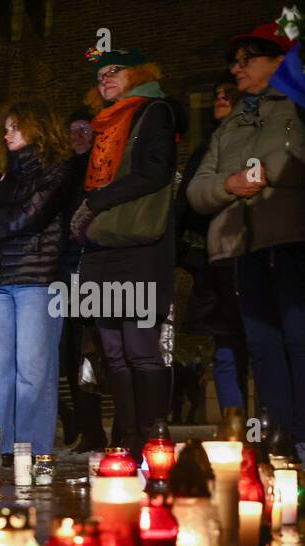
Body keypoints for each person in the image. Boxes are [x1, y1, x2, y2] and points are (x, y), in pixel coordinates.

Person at [189, 21, 304, 461]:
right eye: (233, 62)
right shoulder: (229, 124)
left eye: (245, 60)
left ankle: (302, 432)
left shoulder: (295, 105)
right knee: (261, 344)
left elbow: (296, 159)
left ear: (278, 61)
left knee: (298, 337)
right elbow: (199, 189)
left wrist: (264, 170)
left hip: (290, 237)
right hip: (242, 248)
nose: (236, 69)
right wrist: (230, 184)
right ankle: (279, 434)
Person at [70, 47, 187, 461]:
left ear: (139, 73)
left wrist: (98, 201)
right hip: (103, 247)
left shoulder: (154, 112)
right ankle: (127, 440)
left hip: (138, 246)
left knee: (139, 346)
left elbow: (155, 171)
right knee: (113, 352)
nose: (105, 78)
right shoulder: (105, 123)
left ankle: (152, 438)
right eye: (100, 74)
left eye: (114, 70)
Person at [0, 100, 75, 458]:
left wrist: (1, 225)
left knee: (34, 371)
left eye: (15, 126)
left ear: (37, 127)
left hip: (38, 279)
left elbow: (30, 217)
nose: (6, 133)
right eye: (6, 127)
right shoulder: (1, 177)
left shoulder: (57, 171)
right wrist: (7, 224)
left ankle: (30, 452)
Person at [177, 74, 247, 413]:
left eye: (227, 94)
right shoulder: (207, 148)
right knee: (226, 346)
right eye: (216, 94)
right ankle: (237, 426)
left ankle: (269, 429)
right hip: (216, 258)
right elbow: (190, 200)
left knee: (262, 343)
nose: (220, 98)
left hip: (251, 249)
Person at [58, 108, 109, 452]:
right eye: (73, 130)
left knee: (102, 350)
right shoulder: (65, 172)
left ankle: (112, 430)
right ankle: (88, 430)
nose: (78, 136)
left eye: (84, 130)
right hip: (67, 273)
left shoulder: (102, 168)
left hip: (97, 269)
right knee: (77, 355)